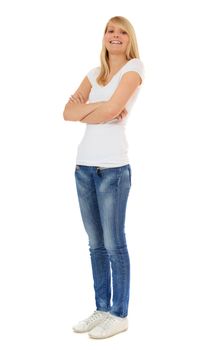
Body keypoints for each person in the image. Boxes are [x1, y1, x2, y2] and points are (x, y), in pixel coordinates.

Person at [63, 15, 144, 339]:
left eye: (122, 32)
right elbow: (66, 113)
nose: (115, 35)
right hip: (83, 167)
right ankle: (102, 308)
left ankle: (119, 313)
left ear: (129, 39)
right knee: (95, 245)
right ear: (104, 36)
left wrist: (96, 109)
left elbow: (112, 111)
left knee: (114, 244)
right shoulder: (93, 74)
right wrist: (104, 108)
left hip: (113, 169)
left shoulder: (134, 69)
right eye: (111, 30)